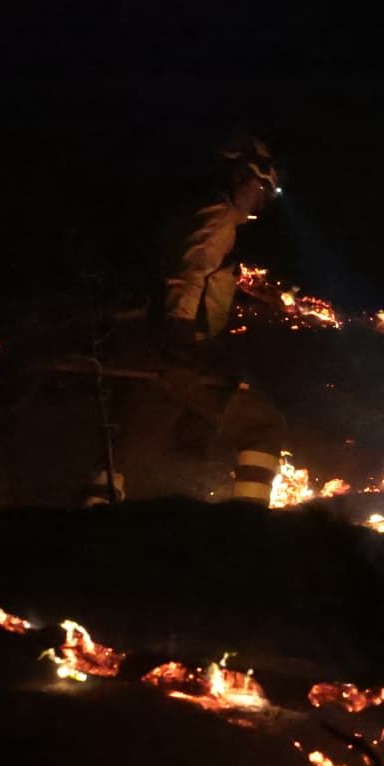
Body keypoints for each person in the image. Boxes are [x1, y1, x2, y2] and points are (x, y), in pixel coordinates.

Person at [83, 135, 287, 506]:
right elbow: (189, 273)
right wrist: (180, 345)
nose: (261, 199)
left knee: (123, 451)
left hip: (139, 344)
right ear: (240, 175)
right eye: (260, 187)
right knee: (263, 425)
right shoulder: (218, 214)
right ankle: (250, 523)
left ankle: (91, 522)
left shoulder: (184, 211)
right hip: (173, 347)